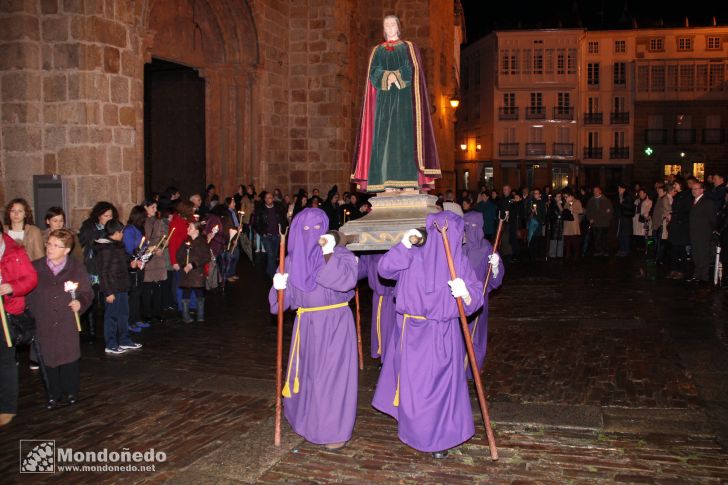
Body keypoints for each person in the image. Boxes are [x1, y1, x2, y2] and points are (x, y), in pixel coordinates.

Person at [372, 211, 484, 458]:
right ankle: (415, 431)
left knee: (439, 389)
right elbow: (385, 269)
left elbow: (476, 295)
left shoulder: (459, 261)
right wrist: (403, 244)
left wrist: (465, 293)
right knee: (414, 388)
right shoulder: (412, 253)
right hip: (411, 332)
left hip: (441, 333)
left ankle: (439, 438)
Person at [270, 208, 358, 449]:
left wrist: (328, 255)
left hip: (335, 325)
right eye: (306, 229)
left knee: (332, 378)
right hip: (306, 326)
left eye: (318, 228)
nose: (312, 234)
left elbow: (347, 281)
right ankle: (308, 422)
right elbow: (279, 306)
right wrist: (278, 288)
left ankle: (333, 430)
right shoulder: (288, 261)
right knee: (309, 377)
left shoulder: (339, 255)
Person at [351, 15, 441, 192]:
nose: (390, 27)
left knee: (405, 139)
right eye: (387, 25)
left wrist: (397, 76)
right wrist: (386, 77)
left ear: (398, 27)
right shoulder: (377, 50)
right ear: (384, 30)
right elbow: (373, 72)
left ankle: (409, 183)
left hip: (405, 101)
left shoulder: (409, 47)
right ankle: (387, 183)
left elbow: (413, 69)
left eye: (393, 24)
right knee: (385, 140)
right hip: (384, 103)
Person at [28, 229, 93, 409]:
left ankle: (71, 391)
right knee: (47, 359)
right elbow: (26, 291)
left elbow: (87, 293)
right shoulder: (35, 267)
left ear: (66, 250)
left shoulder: (76, 268)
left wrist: (80, 303)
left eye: (57, 246)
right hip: (44, 320)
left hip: (66, 321)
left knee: (68, 358)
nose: (51, 248)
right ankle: (52, 394)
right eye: (49, 243)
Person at [0, 224, 38, 426]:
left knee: (5, 358)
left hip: (6, 311)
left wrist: (11, 287)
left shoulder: (15, 251)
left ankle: (7, 406)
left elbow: (30, 278)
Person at [462, 211, 503, 374]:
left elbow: (495, 279)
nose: (470, 230)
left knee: (476, 334)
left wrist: (495, 267)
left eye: (473, 227)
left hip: (479, 298)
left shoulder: (486, 247)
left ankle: (473, 368)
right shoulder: (460, 246)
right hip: (459, 297)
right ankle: (459, 369)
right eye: (466, 227)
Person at [95, 219, 142, 355]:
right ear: (115, 233)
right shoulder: (105, 249)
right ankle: (111, 344)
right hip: (112, 289)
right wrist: (108, 292)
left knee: (123, 315)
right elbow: (103, 272)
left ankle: (124, 340)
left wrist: (131, 263)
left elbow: (123, 262)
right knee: (112, 317)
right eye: (121, 232)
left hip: (122, 286)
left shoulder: (118, 246)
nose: (123, 234)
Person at [77, 201, 118, 341]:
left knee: (109, 297)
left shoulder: (112, 228)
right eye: (106, 216)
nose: (109, 218)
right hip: (92, 267)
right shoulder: (89, 227)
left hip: (107, 267)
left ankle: (109, 329)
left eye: (111, 216)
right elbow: (79, 242)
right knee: (91, 299)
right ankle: (91, 331)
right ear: (99, 216)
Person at [358, 253, 396, 362]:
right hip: (383, 295)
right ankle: (386, 359)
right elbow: (364, 268)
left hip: (398, 293)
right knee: (384, 328)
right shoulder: (372, 252)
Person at [176, 220, 211, 323]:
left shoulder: (202, 242)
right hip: (186, 273)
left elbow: (206, 257)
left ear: (196, 231)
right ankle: (185, 316)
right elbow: (179, 255)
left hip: (197, 274)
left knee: (199, 294)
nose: (187, 229)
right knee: (185, 294)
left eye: (190, 228)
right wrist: (184, 264)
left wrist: (193, 264)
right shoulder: (186, 241)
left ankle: (200, 315)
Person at [141, 199, 167, 324]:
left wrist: (161, 246)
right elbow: (141, 240)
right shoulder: (141, 222)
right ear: (145, 207)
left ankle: (157, 312)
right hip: (147, 258)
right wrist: (149, 248)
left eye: (156, 207)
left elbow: (164, 237)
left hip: (157, 258)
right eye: (152, 207)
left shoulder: (159, 222)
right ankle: (146, 313)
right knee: (147, 287)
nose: (155, 210)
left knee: (158, 287)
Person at [122, 206, 147, 332]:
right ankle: (130, 321)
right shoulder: (129, 229)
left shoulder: (140, 228)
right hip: (132, 264)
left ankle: (136, 318)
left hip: (140, 263)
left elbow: (144, 244)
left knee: (138, 292)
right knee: (133, 293)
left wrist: (148, 251)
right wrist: (136, 255)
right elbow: (128, 248)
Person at [688, 182, 716, 284]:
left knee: (703, 255)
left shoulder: (708, 202)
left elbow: (712, 219)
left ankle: (704, 277)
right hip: (694, 233)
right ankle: (696, 275)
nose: (693, 190)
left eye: (696, 189)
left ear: (702, 190)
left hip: (704, 233)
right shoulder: (694, 201)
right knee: (696, 254)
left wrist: (709, 230)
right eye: (692, 189)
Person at [255, 191, 288, 278]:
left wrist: (282, 232)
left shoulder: (278, 208)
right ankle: (273, 275)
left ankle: (269, 270)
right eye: (266, 198)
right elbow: (256, 223)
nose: (268, 199)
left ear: (273, 199)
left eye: (270, 197)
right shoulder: (261, 210)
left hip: (276, 235)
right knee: (270, 255)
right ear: (265, 199)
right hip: (267, 236)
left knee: (273, 255)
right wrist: (262, 233)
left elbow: (283, 220)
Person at [667, 180, 692, 280]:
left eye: (676, 184)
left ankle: (682, 271)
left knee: (681, 250)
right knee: (674, 249)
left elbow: (686, 211)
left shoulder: (686, 196)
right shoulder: (677, 196)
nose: (674, 186)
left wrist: (676, 216)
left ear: (681, 185)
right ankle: (674, 269)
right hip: (675, 226)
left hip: (681, 227)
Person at [585, 186, 613, 257]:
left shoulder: (606, 200)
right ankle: (598, 250)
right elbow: (588, 211)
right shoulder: (591, 200)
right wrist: (590, 218)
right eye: (594, 191)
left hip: (604, 223)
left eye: (597, 190)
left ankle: (605, 250)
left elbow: (610, 211)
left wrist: (607, 217)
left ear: (600, 191)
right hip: (595, 223)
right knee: (596, 237)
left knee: (604, 237)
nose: (595, 192)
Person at [562, 191, 583, 259]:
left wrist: (572, 210)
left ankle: (576, 255)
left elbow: (581, 211)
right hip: (567, 224)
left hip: (574, 224)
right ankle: (568, 254)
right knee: (567, 241)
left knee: (575, 241)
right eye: (564, 197)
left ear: (571, 196)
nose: (565, 198)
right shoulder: (566, 203)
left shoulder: (577, 201)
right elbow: (564, 211)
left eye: (566, 197)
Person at [616, 184, 634, 257]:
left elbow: (630, 207)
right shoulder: (620, 196)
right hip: (621, 218)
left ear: (624, 189)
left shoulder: (628, 197)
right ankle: (621, 249)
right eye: (618, 188)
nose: (618, 190)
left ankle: (625, 250)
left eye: (620, 188)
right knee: (620, 234)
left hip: (626, 218)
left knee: (625, 234)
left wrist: (622, 203)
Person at [633, 189, 653, 253]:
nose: (640, 194)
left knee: (647, 235)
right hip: (637, 220)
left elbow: (649, 210)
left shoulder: (649, 201)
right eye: (639, 193)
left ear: (645, 194)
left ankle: (649, 248)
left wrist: (645, 214)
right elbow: (634, 209)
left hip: (645, 220)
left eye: (641, 193)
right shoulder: (637, 201)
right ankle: (639, 247)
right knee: (638, 235)